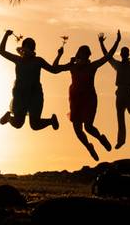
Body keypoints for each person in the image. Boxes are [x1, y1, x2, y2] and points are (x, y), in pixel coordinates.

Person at [53, 30, 120, 161]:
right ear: (78, 55)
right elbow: (54, 68)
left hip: (89, 99)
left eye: (86, 54)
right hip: (75, 100)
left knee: (88, 127)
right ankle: (89, 147)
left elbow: (108, 57)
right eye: (81, 54)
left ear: (88, 56)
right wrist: (59, 55)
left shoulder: (92, 66)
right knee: (77, 130)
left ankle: (101, 138)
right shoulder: (72, 66)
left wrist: (116, 42)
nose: (83, 57)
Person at [0, 30, 60, 131]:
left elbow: (54, 70)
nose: (27, 50)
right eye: (26, 47)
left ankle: (51, 120)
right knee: (18, 124)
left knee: (34, 125)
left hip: (35, 95)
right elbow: (1, 51)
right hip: (20, 95)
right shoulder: (18, 60)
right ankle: (9, 117)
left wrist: (59, 55)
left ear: (32, 49)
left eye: (29, 47)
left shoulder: (38, 61)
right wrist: (6, 35)